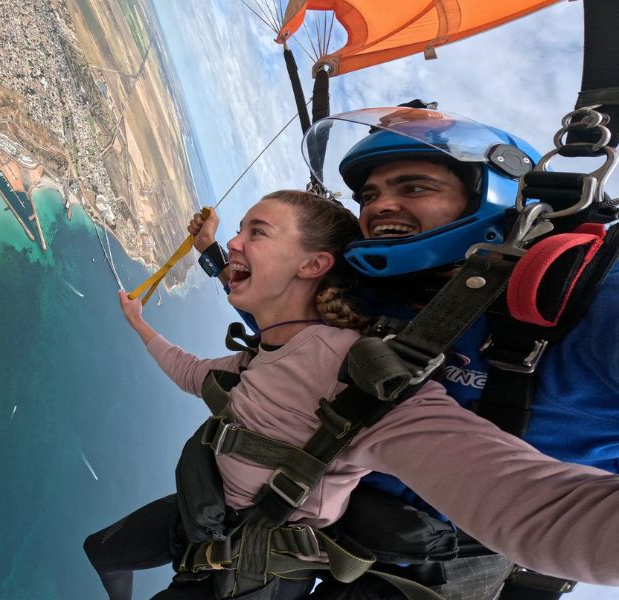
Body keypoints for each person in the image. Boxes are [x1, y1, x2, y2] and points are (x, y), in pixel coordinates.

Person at [85, 189, 619, 600]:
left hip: (261, 559)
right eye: (368, 195)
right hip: (210, 519)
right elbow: (204, 360)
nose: (238, 245)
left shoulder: (357, 372)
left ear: (316, 266)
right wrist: (145, 320)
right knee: (102, 551)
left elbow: (536, 510)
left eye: (259, 231)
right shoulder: (269, 348)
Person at [189, 107, 619, 600]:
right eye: (370, 195)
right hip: (313, 517)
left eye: (414, 188)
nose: (380, 207)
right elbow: (288, 331)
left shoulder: (592, 302)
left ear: (492, 194)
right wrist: (213, 255)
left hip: (434, 569)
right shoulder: (380, 293)